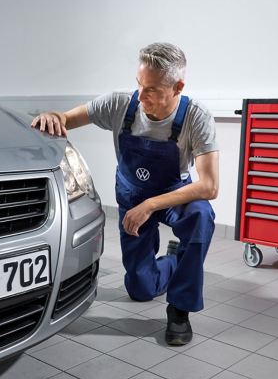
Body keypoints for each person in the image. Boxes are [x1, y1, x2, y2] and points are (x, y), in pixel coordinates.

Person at [31, 42, 219, 346]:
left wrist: (152, 204)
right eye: (139, 85)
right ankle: (171, 261)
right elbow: (66, 119)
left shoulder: (196, 117)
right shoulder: (120, 105)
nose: (142, 96)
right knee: (140, 289)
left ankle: (180, 309)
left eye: (153, 89)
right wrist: (54, 115)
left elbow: (209, 186)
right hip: (133, 200)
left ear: (178, 87)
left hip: (172, 195)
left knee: (201, 214)